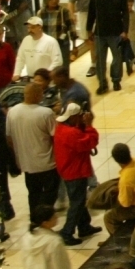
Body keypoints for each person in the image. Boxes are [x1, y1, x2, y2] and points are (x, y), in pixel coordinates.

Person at [6, 81, 59, 216]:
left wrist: (16, 158)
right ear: (38, 95)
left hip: (26, 163)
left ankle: (34, 220)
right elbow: (56, 137)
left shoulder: (12, 112)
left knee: (33, 194)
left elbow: (9, 139)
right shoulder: (45, 113)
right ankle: (43, 219)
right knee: (49, 194)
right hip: (47, 163)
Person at [52, 103, 99, 247]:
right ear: (73, 117)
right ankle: (67, 232)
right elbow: (90, 141)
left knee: (78, 200)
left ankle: (84, 226)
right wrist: (89, 125)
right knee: (77, 203)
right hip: (75, 171)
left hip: (68, 170)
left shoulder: (62, 128)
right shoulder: (71, 133)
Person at [86, 0, 130, 95]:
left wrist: (125, 31)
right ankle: (102, 83)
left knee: (117, 58)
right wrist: (89, 29)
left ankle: (116, 80)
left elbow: (125, 14)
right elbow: (91, 13)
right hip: (100, 33)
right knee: (100, 60)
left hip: (116, 33)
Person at [15, 17, 62, 81]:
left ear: (40, 27)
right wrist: (17, 73)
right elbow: (20, 59)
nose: (29, 30)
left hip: (46, 81)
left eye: (33, 27)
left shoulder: (51, 41)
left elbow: (57, 61)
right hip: (30, 79)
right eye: (28, 28)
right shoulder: (26, 40)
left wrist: (45, 75)